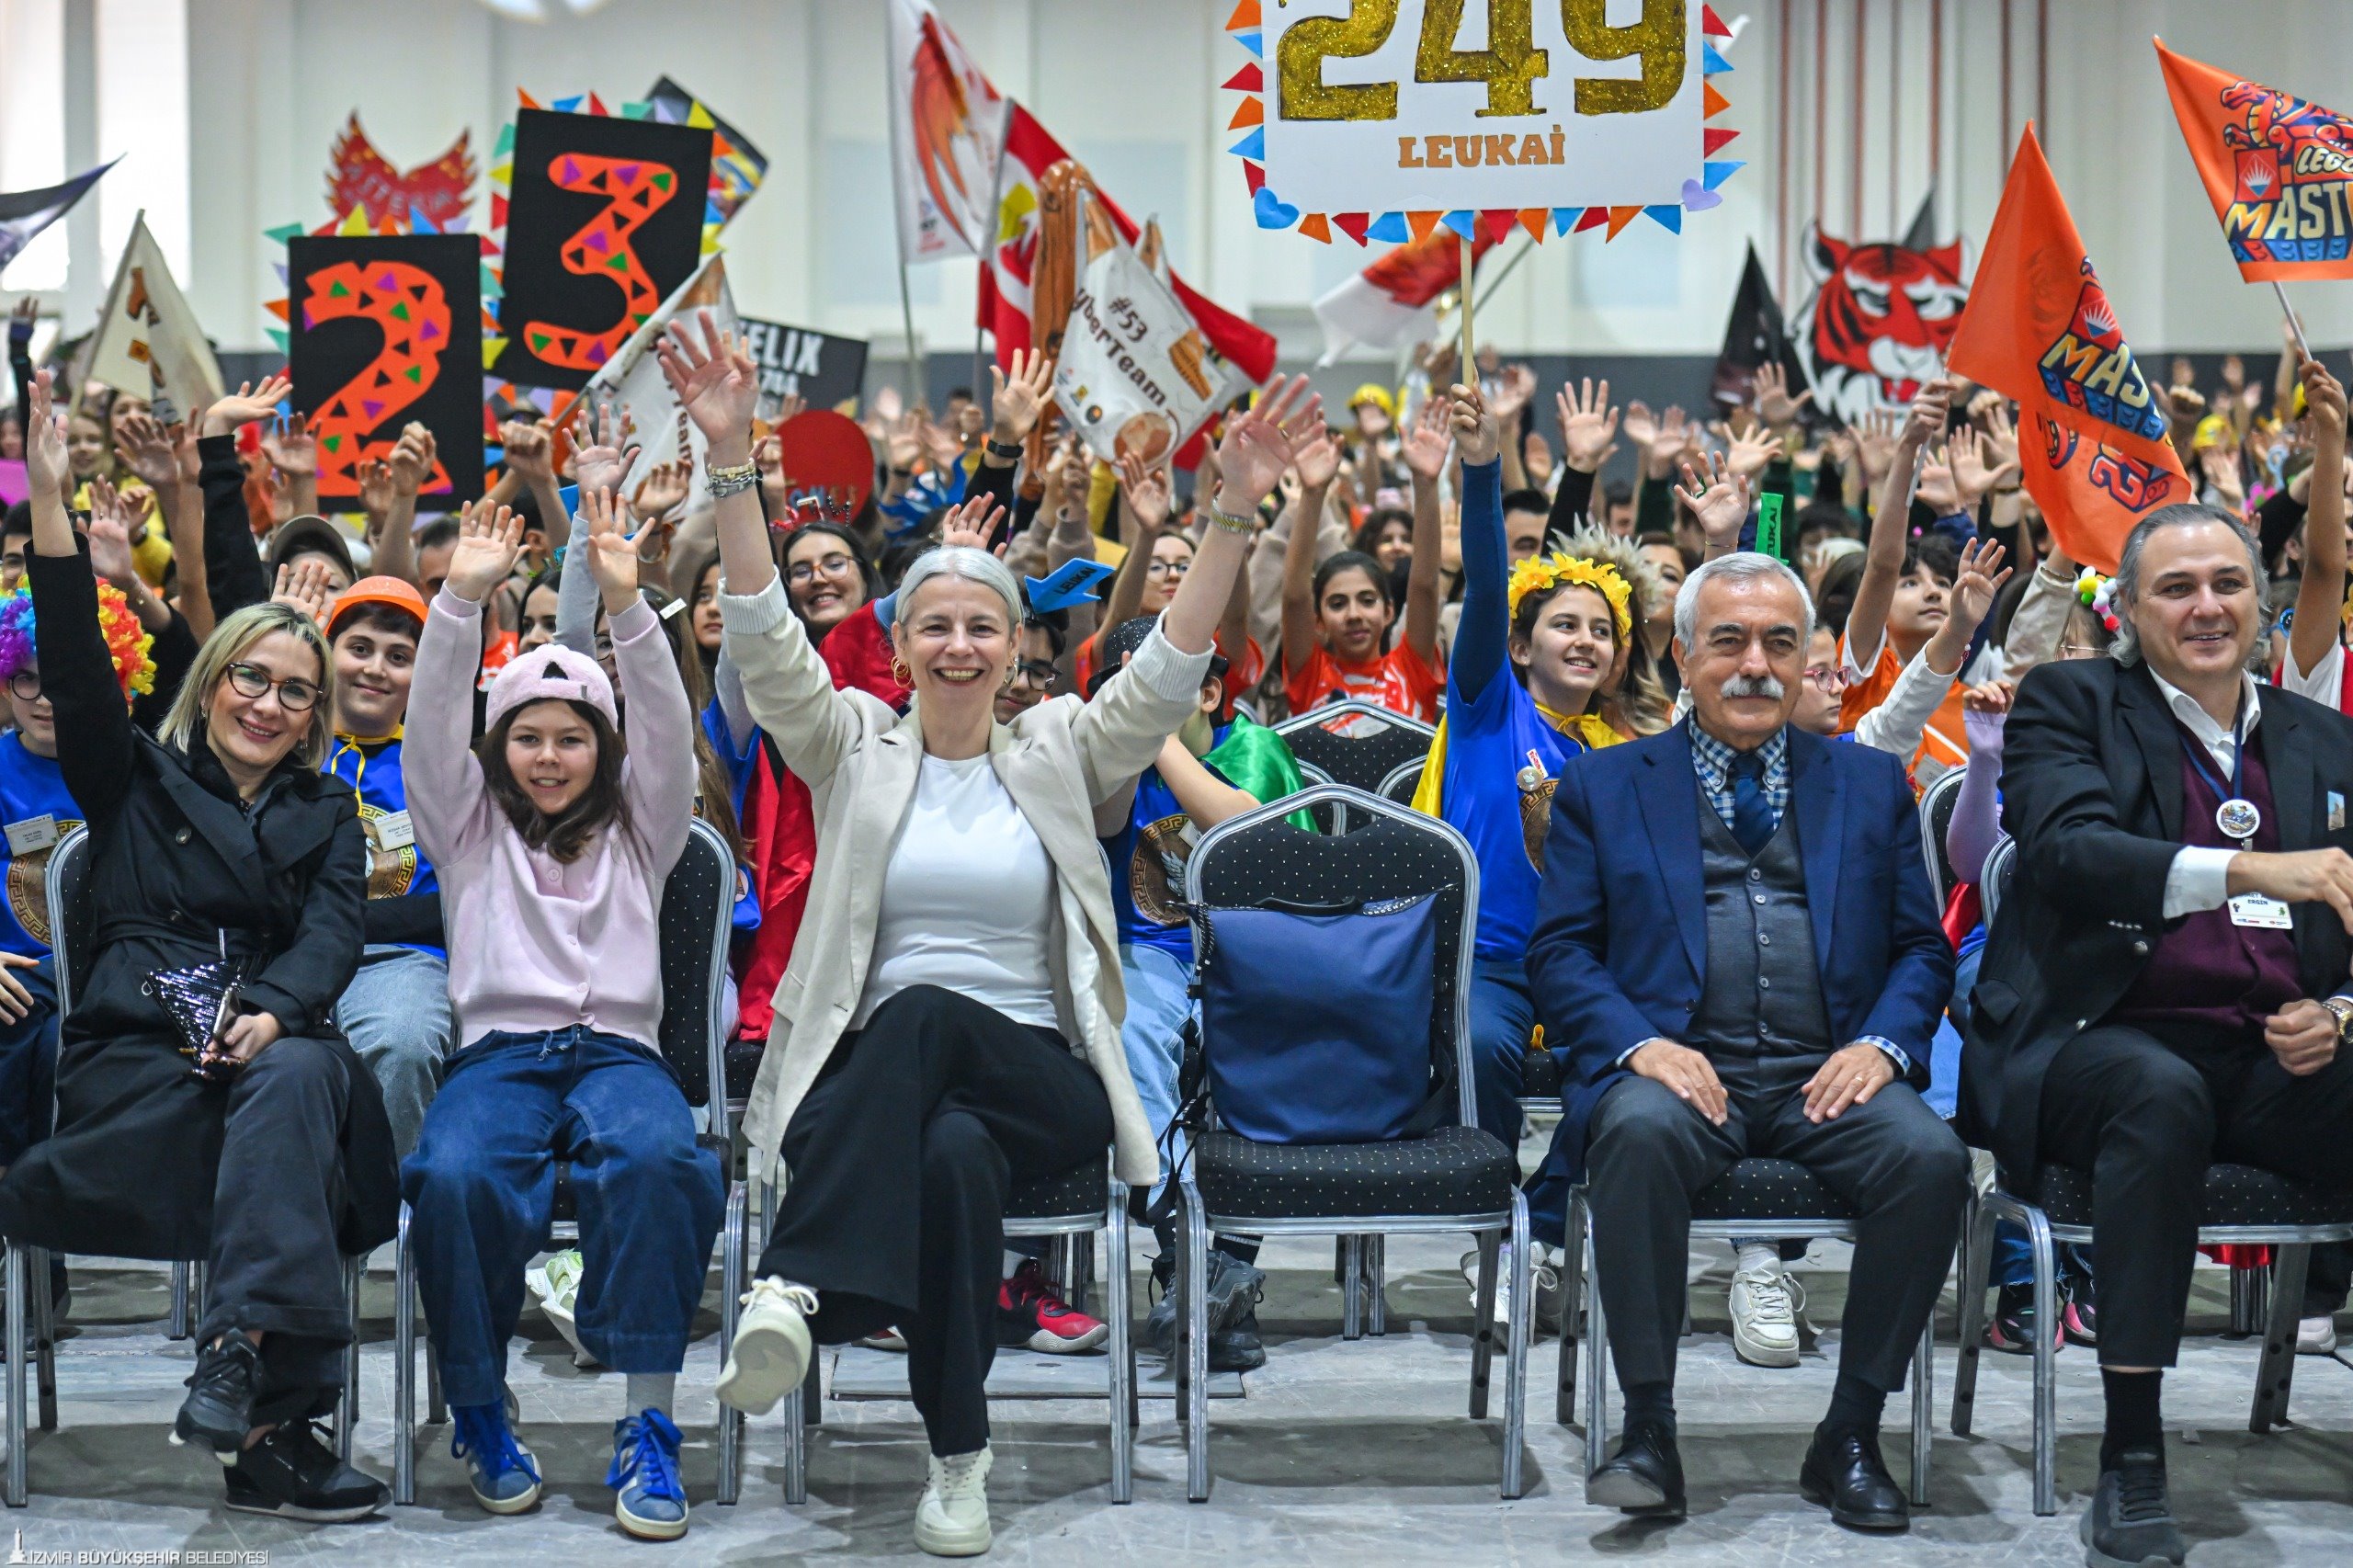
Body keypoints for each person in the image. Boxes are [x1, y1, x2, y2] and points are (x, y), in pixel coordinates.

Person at [676, 294, 1318, 1554]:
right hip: (899, 1098)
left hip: (1052, 1078)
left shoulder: (1063, 745)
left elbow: (1169, 668)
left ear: (1018, 645)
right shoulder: (849, 746)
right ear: (899, 648)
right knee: (952, 1157)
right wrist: (735, 457)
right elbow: (759, 635)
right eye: (937, 625)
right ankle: (959, 1456)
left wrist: (1232, 508)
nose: (961, 642)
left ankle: (799, 1279)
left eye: (984, 624)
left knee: (925, 1018)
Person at [0, 369, 395, 1522]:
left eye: (295, 692)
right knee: (304, 1102)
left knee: (303, 1065)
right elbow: (75, 669)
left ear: (316, 717)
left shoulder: (326, 813)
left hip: (264, 1048)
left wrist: (272, 1007)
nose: (269, 704)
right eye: (251, 679)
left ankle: (232, 1356)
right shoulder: (128, 775)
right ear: (210, 683)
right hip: (140, 1078)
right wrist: (55, 511)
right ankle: (279, 1433)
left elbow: (335, 931)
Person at [1526, 547, 1965, 1529]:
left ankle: (1848, 1432)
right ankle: (1647, 1428)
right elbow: (1559, 954)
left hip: (1830, 1072)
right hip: (1678, 1070)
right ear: (1682, 656)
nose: (1754, 665)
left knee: (1932, 1159)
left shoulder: (1866, 781)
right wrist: (1638, 1044)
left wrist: (1884, 1045)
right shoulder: (1605, 784)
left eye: (1779, 642)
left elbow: (1918, 950)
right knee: (1630, 1135)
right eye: (1726, 641)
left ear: (1811, 658)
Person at [1958, 496, 2353, 1568]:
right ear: (2128, 609)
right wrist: (2250, 868)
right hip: (2089, 1042)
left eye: (2227, 583)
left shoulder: (2321, 737)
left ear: (2262, 605)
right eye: (2175, 587)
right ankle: (2131, 1458)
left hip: (2268, 1054)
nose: (2208, 605)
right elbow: (2070, 853)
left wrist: (2342, 1011)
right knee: (2156, 1091)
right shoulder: (2069, 703)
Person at [400, 492, 723, 1540]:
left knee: (661, 1163)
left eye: (571, 738)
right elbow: (431, 722)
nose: (547, 756)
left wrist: (629, 609)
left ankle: (649, 1425)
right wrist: (458, 598)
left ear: (603, 748)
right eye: (526, 738)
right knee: (452, 1173)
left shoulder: (647, 830)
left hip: (620, 1054)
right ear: (498, 750)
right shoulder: (466, 828)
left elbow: (669, 728)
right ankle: (483, 1413)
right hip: (497, 1054)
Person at [1090, 613, 1313, 1372]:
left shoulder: (1252, 748)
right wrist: (1132, 737)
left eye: (1165, 690)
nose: (1140, 706)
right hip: (1142, 953)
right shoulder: (1104, 763)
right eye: (1127, 693)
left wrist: (1159, 734)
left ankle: (1231, 1266)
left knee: (1266, 1048)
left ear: (1212, 692)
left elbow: (1245, 834)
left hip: (1252, 952)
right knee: (1131, 1038)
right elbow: (1105, 817)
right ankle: (1185, 1252)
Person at [0, 571, 155, 1170]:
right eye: (26, 677)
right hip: (15, 977)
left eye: (61, 678)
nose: (43, 697)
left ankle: (39, 1231)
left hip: (104, 979)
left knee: (57, 1048)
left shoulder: (134, 769)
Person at [318, 575, 455, 1161]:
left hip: (403, 961)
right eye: (360, 648)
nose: (376, 668)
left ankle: (391, 1229)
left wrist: (349, 925)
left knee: (403, 1041)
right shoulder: (278, 746)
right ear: (325, 655)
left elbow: (463, 902)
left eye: (399, 657)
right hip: (280, 955)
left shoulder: (448, 763)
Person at [1281, 405, 1446, 721]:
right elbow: (1294, 596)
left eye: (1367, 601)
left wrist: (1426, 483)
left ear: (1388, 612)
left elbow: (1425, 586)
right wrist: (1313, 494)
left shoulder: (1411, 668)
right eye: (1338, 604)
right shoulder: (1310, 674)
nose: (1354, 615)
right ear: (1318, 621)